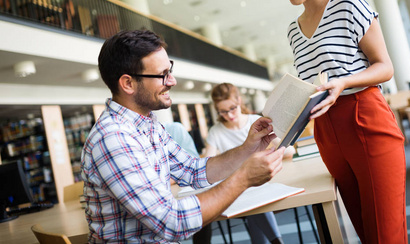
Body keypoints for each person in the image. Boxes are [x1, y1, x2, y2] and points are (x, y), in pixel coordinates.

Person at [80, 30, 286, 243]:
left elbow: (193, 171)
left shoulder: (149, 125)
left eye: (170, 70)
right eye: (162, 75)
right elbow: (172, 222)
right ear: (128, 84)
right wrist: (243, 178)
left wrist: (247, 149)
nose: (172, 81)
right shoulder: (113, 139)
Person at [273, 0, 408, 243]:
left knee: (386, 233)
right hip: (326, 131)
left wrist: (344, 83)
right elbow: (315, 83)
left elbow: (385, 67)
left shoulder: (348, 4)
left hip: (365, 117)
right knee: (363, 229)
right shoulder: (293, 31)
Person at [205, 83, 295, 244]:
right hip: (241, 191)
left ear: (239, 101)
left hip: (263, 184)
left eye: (232, 108)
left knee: (253, 196)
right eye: (223, 111)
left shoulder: (256, 123)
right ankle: (277, 241)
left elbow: (289, 151)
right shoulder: (216, 131)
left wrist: (267, 153)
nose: (229, 115)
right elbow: (207, 162)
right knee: (251, 194)